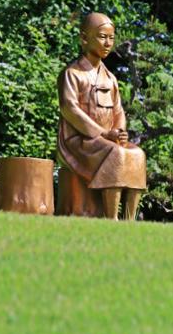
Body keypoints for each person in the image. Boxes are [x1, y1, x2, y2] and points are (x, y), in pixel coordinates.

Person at [57, 12, 146, 220]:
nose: (108, 43)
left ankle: (129, 219)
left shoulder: (111, 78)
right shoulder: (72, 73)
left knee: (137, 155)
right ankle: (111, 217)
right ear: (84, 38)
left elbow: (118, 110)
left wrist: (120, 132)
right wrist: (103, 133)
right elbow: (69, 108)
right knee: (116, 154)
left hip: (107, 139)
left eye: (111, 38)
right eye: (102, 36)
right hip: (80, 140)